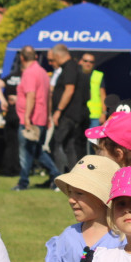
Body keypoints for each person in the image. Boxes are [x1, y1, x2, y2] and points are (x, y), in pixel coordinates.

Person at [13, 46, 61, 191]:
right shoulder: (43, 72)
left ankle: (24, 182)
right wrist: (47, 116)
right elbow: (47, 97)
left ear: (22, 58)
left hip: (31, 120)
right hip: (41, 117)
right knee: (37, 151)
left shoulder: (29, 73)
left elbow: (31, 95)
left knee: (27, 152)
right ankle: (54, 177)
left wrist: (27, 117)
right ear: (35, 57)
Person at [49, 44, 90, 175]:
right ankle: (73, 176)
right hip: (74, 114)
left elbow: (69, 90)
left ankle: (57, 176)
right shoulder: (74, 67)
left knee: (57, 144)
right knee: (69, 146)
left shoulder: (69, 68)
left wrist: (58, 111)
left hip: (68, 115)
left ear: (58, 55)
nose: (52, 62)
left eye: (52, 59)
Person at [79, 53, 107, 129]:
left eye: (91, 62)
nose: (88, 64)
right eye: (86, 61)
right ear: (81, 61)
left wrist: (104, 113)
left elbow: (103, 95)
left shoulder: (98, 75)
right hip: (79, 113)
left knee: (93, 140)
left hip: (95, 115)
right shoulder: (76, 74)